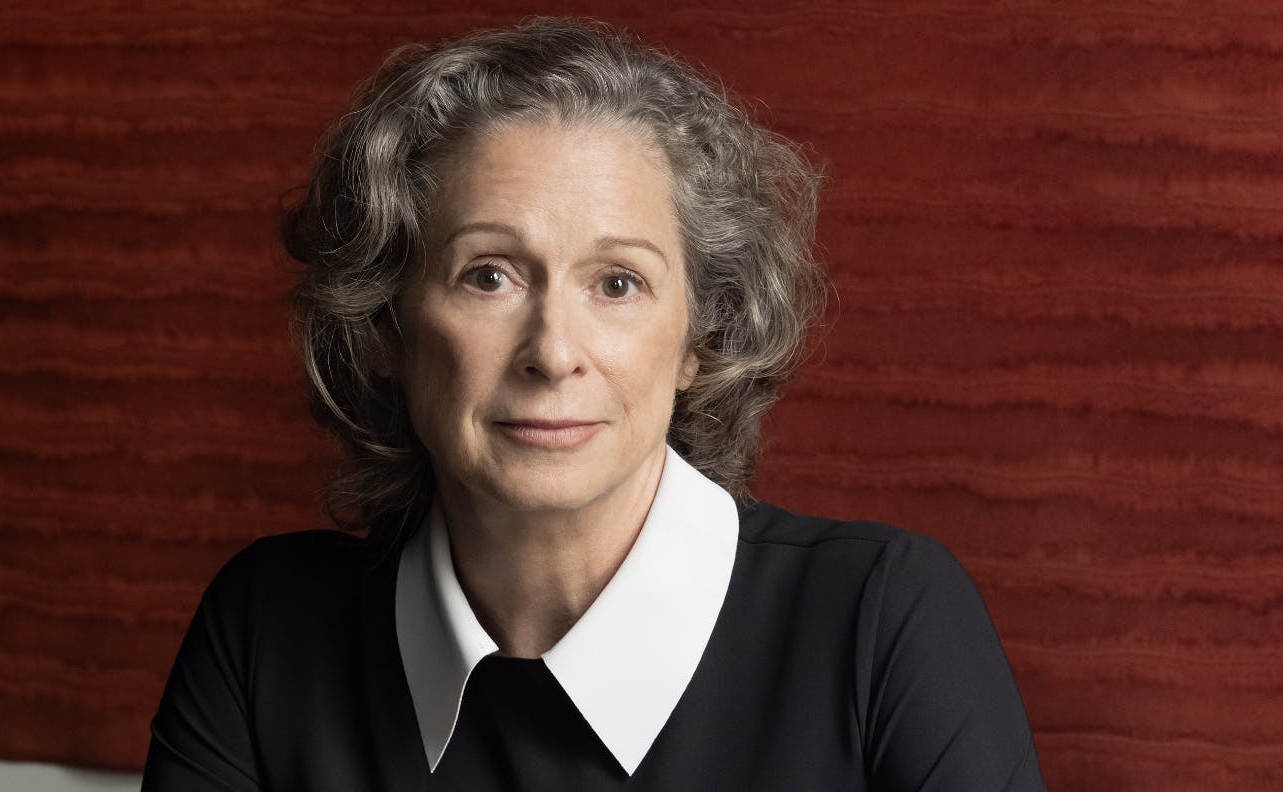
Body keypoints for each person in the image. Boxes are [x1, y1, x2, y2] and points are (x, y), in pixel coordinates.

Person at [143, 17, 1046, 791]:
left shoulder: (882, 622)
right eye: (487, 275)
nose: (553, 353)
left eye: (617, 283)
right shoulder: (265, 632)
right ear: (384, 325)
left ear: (702, 340)